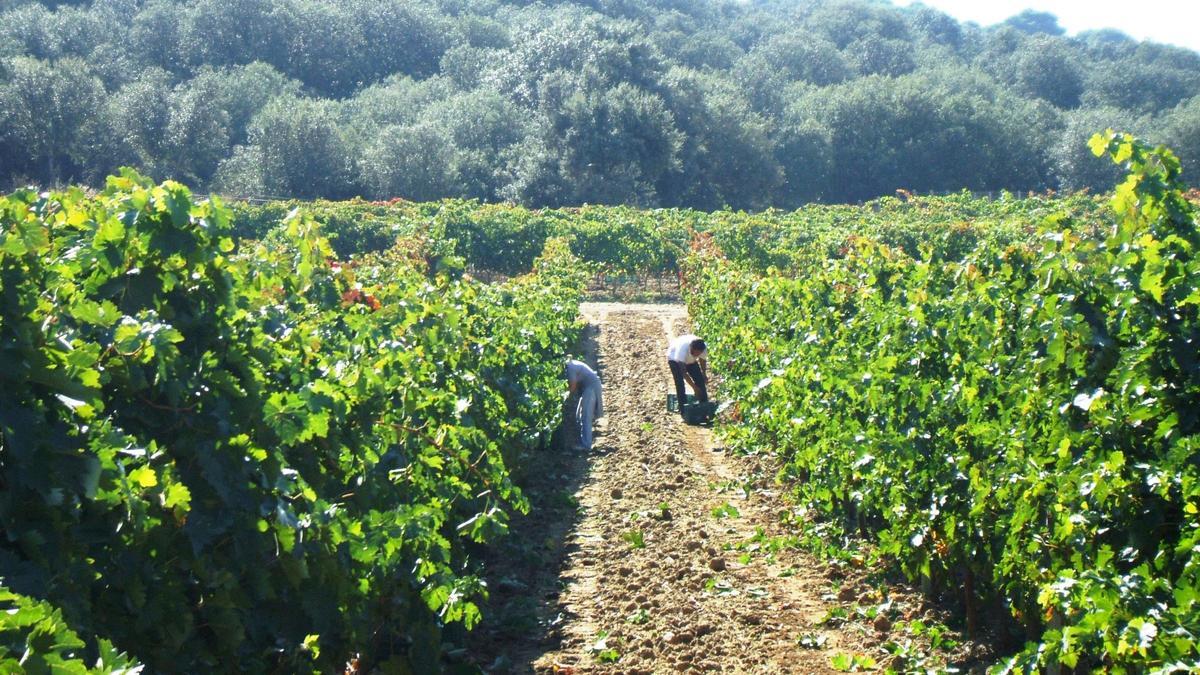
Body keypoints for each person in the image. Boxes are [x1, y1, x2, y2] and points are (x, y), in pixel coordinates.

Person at [564, 359, 603, 451]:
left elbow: (573, 386)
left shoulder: (570, 368)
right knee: (581, 415)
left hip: (591, 388)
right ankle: (584, 441)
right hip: (590, 387)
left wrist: (565, 397)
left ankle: (586, 445)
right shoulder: (572, 364)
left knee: (586, 416)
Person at [667, 334, 708, 418]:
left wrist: (704, 373)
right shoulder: (682, 350)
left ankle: (704, 408)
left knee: (700, 381)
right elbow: (684, 373)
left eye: (698, 354)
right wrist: (694, 388)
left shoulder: (703, 348)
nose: (696, 355)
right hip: (674, 360)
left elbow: (702, 359)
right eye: (694, 353)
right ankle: (683, 411)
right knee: (680, 384)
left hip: (690, 361)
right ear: (691, 348)